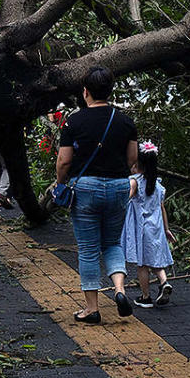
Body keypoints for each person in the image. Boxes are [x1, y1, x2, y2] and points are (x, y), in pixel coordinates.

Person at [55, 66, 138, 322]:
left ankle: (92, 309)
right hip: (118, 187)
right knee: (112, 242)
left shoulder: (74, 121)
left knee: (89, 249)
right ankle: (120, 290)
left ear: (85, 92)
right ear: (110, 91)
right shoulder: (125, 121)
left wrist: (60, 183)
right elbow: (133, 160)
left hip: (86, 189)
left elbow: (64, 161)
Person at [121, 140, 174, 308]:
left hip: (142, 228)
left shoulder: (135, 181)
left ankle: (145, 297)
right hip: (157, 227)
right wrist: (166, 229)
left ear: (138, 165)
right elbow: (162, 208)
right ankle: (164, 282)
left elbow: (125, 200)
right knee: (156, 260)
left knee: (142, 264)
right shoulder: (158, 185)